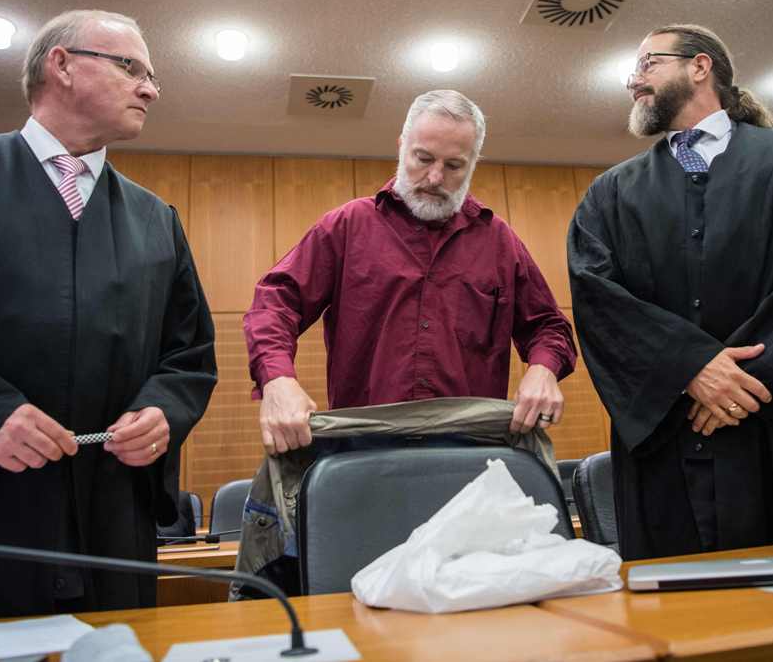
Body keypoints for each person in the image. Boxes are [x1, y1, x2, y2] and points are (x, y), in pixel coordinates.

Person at [0, 9, 217, 617]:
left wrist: (161, 413)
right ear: (61, 64)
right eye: (131, 68)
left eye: (152, 77)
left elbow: (188, 353)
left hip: (110, 516)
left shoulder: (155, 220)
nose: (150, 89)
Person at [568, 24, 773, 560]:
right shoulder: (609, 196)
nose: (634, 81)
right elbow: (600, 305)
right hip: (671, 445)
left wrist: (743, 384)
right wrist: (689, 368)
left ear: (700, 66)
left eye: (647, 63)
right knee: (684, 603)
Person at [245, 89, 576, 454]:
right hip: (364, 452)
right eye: (423, 158)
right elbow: (275, 304)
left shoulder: (498, 241)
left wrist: (543, 370)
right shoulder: (347, 226)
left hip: (472, 452)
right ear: (402, 146)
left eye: (454, 166)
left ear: (473, 163)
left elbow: (548, 326)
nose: (435, 177)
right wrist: (277, 379)